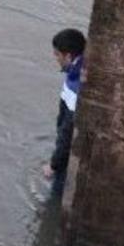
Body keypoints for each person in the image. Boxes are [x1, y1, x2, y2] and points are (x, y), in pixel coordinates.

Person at [42, 28, 85, 198]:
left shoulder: (76, 86)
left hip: (67, 158)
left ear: (68, 56)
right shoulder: (76, 72)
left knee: (57, 193)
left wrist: (53, 165)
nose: (56, 60)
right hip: (70, 151)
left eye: (57, 55)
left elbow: (67, 135)